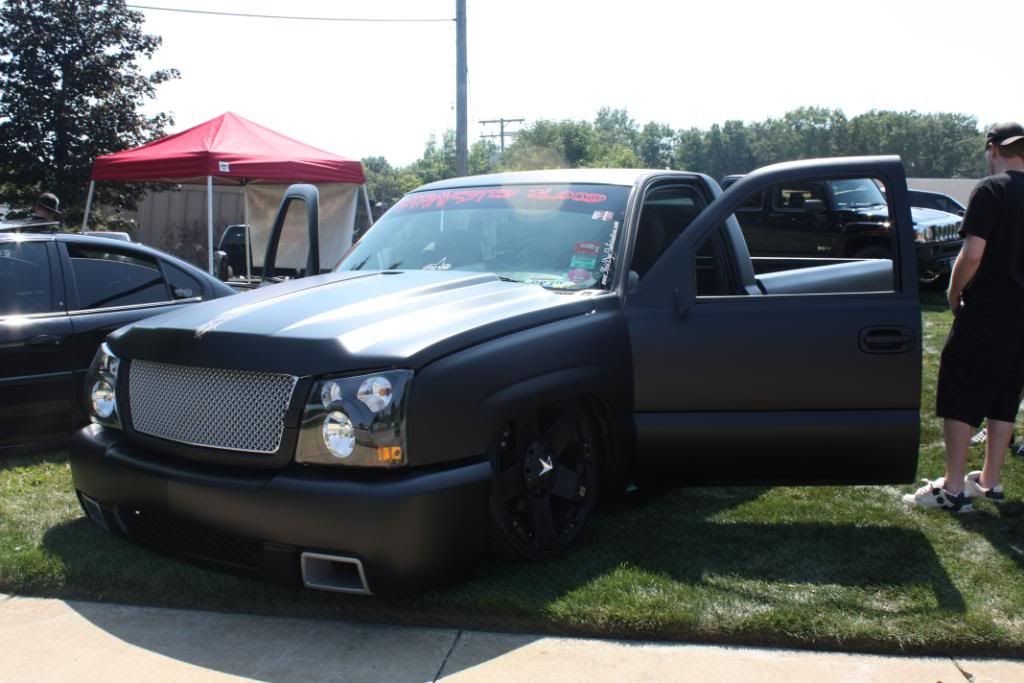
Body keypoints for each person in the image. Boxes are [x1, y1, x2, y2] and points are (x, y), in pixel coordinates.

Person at [904, 122, 1024, 512]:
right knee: (1005, 398)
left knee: (960, 394)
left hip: (989, 311)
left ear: (992, 148)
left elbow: (972, 254)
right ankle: (989, 483)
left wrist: (954, 294)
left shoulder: (992, 190)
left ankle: (954, 489)